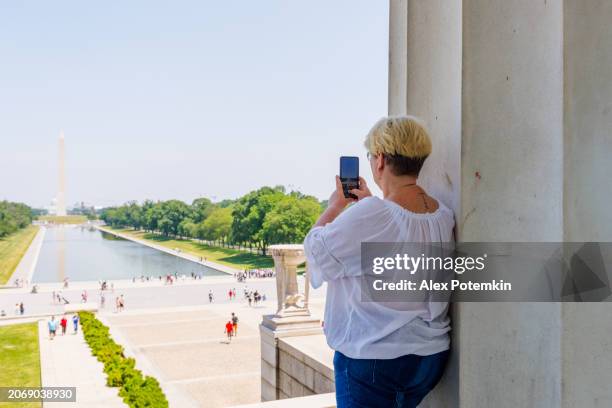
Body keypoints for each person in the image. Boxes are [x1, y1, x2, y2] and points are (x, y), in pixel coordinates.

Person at [304, 116, 454, 408]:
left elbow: (317, 250)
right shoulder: (442, 214)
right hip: (429, 357)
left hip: (377, 360)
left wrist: (335, 206)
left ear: (381, 159)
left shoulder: (375, 213)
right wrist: (369, 207)